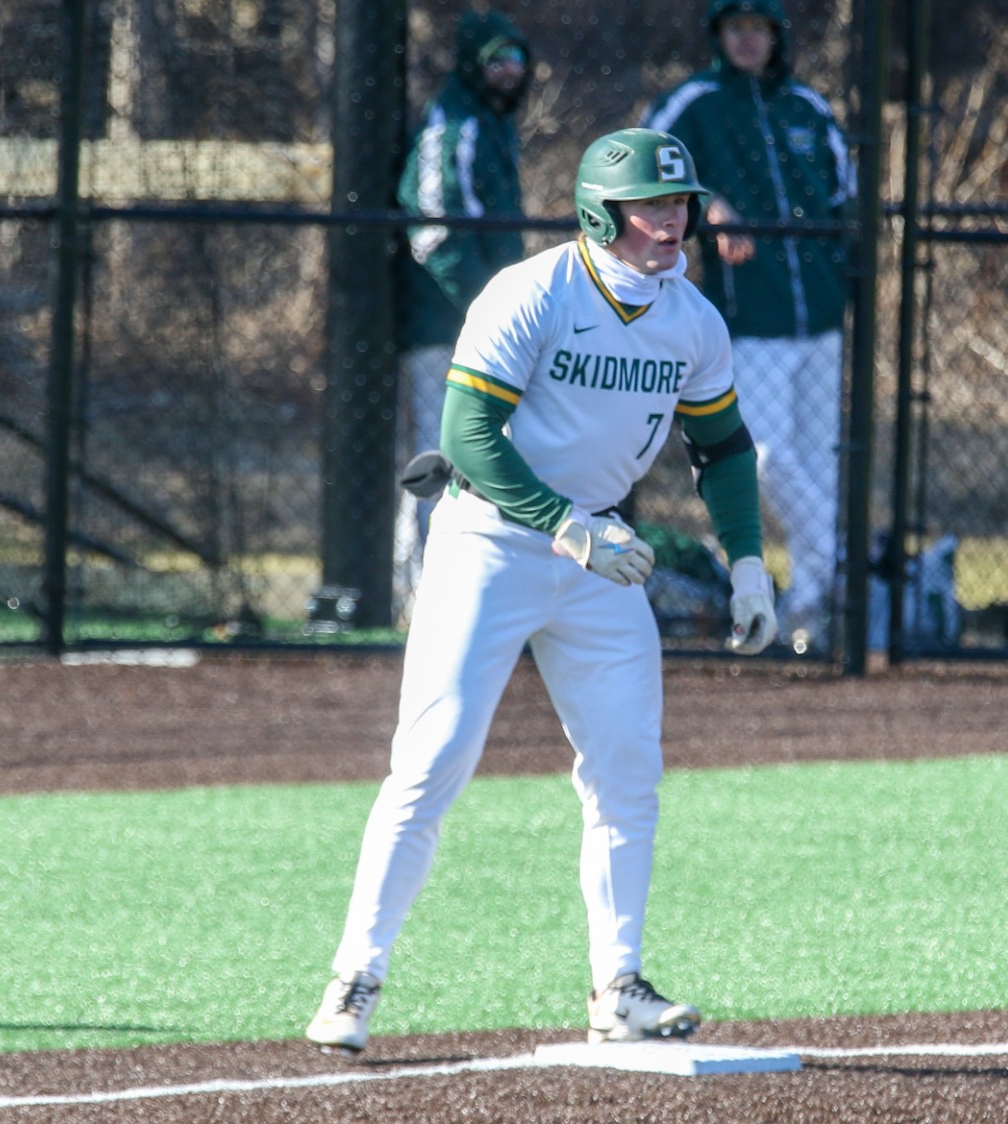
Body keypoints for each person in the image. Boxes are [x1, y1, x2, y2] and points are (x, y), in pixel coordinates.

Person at [306, 128, 778, 1056]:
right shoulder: (531, 292)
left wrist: (751, 563)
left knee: (626, 771)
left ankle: (619, 986)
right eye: (652, 204)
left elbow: (720, 448)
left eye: (680, 203)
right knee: (432, 761)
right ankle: (356, 974)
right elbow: (469, 431)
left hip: (601, 552)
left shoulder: (692, 319)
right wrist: (567, 523)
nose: (672, 221)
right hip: (491, 538)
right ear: (603, 213)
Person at [643, 0, 853, 651]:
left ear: (775, 36)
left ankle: (816, 604)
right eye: (735, 27)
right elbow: (641, 164)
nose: (747, 40)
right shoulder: (696, 103)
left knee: (821, 460)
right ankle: (842, 564)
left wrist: (836, 273)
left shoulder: (807, 108)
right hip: (750, 316)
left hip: (819, 314)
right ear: (718, 35)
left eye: (758, 28)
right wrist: (707, 205)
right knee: (764, 454)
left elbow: (846, 194)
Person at [392, 11, 532, 619]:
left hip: (482, 324)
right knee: (438, 452)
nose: (508, 73)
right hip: (446, 324)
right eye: (496, 60)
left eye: (517, 60)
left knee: (473, 451)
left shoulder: (493, 125)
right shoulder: (455, 123)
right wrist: (488, 310)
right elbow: (432, 230)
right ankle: (426, 592)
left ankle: (429, 585)